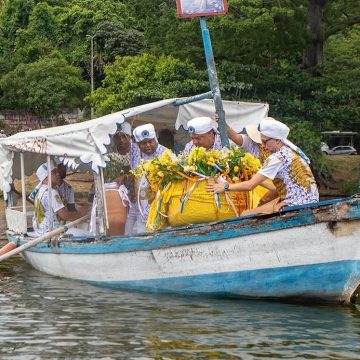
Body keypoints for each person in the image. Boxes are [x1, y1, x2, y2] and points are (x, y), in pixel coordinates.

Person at [206, 118, 319, 214]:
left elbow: (250, 186)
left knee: (245, 214)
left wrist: (225, 187)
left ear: (278, 141)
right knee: (263, 202)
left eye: (265, 142)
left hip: (297, 204)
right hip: (308, 201)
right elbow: (278, 187)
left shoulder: (276, 157)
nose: (263, 146)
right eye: (262, 142)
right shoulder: (289, 151)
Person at [128, 123, 167, 233]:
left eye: (150, 141)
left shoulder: (165, 154)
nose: (148, 145)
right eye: (143, 143)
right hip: (141, 209)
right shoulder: (135, 154)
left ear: (155, 139)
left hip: (161, 209)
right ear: (138, 144)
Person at [32, 163, 89, 236]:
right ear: (46, 178)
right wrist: (81, 215)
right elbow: (64, 215)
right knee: (87, 235)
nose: (58, 173)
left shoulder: (40, 190)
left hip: (40, 232)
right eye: (54, 172)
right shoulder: (52, 192)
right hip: (51, 233)